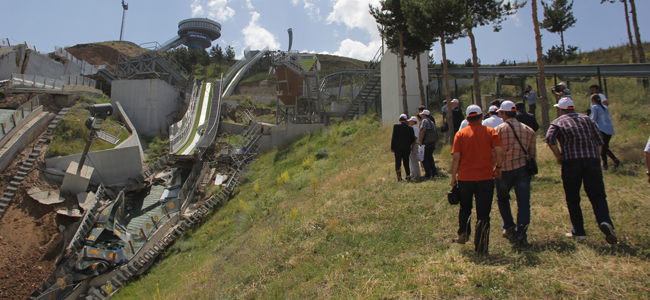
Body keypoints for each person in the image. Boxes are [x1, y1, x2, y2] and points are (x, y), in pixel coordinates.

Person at [545, 98, 618, 245]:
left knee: (573, 198)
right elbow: (599, 141)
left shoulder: (558, 122)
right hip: (592, 161)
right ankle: (604, 221)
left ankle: (579, 232)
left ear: (561, 109)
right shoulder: (588, 120)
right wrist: (596, 157)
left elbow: (549, 139)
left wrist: (558, 155)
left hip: (571, 162)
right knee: (597, 195)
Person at [450, 105, 504, 256]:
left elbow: (455, 158)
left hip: (465, 178)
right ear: (481, 117)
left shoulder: (460, 134)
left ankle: (463, 232)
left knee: (465, 207)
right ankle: (481, 247)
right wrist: (498, 167)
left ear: (467, 119)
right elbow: (499, 151)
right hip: (485, 178)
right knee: (483, 214)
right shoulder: (490, 132)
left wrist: (454, 178)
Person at [494, 101, 536, 246]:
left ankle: (509, 226)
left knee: (503, 199)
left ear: (503, 114)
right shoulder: (529, 130)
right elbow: (532, 154)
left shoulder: (498, 130)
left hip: (504, 170)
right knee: (523, 204)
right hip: (523, 169)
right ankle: (521, 233)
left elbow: (494, 152)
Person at [590, 94, 620, 170]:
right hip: (609, 129)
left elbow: (593, 119)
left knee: (602, 147)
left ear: (593, 101)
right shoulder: (605, 107)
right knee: (605, 147)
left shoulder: (594, 107)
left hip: (602, 129)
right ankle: (612, 161)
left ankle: (607, 164)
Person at [391, 114, 415, 181]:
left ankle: (399, 177)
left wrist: (392, 147)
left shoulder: (396, 126)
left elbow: (394, 138)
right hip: (406, 148)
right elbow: (412, 139)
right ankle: (408, 175)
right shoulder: (410, 128)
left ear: (399, 120)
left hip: (398, 148)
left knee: (398, 163)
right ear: (406, 120)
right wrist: (408, 144)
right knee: (406, 162)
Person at [418, 110, 438, 178]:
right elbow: (435, 133)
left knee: (425, 158)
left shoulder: (424, 121)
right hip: (432, 142)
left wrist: (420, 141)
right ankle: (434, 171)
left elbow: (423, 131)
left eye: (422, 114)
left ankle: (428, 173)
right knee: (430, 157)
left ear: (425, 115)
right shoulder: (432, 122)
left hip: (426, 142)